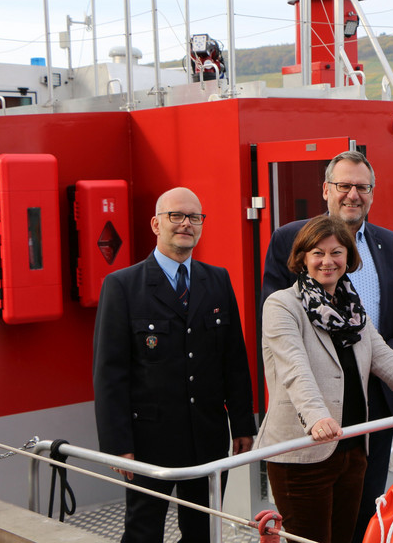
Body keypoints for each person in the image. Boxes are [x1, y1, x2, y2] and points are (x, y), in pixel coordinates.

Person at [256, 215, 393, 543]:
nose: (327, 261)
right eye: (318, 253)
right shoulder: (282, 305)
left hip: (351, 450)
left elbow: (384, 358)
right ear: (302, 258)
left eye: (336, 252)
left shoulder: (352, 307)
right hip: (304, 454)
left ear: (348, 258)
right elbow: (294, 368)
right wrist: (316, 417)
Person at [93, 187, 257, 542]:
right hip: (150, 440)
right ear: (156, 224)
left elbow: (233, 358)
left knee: (203, 532)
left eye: (194, 217)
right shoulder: (123, 286)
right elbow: (110, 373)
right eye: (176, 216)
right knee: (143, 531)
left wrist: (243, 423)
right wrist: (117, 443)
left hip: (208, 436)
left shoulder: (217, 280)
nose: (186, 224)